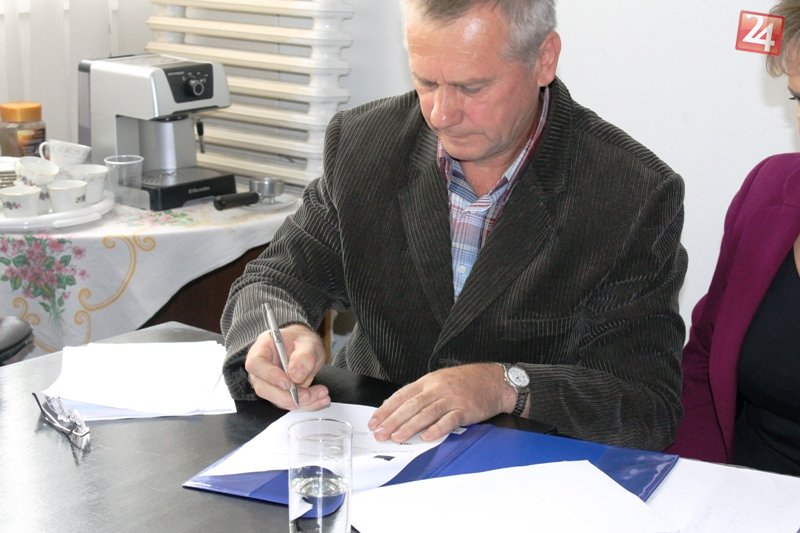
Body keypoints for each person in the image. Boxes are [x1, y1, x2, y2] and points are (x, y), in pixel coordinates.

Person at [221, 0, 687, 451]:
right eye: (426, 82)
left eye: (471, 87)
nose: (441, 114)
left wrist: (506, 386)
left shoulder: (631, 191)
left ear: (544, 59)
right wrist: (279, 333)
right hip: (370, 440)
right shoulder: (364, 142)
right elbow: (274, 279)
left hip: (523, 468)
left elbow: (646, 406)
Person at [667, 0, 800, 476]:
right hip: (740, 495)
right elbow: (703, 360)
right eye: (799, 100)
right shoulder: (768, 188)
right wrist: (698, 486)